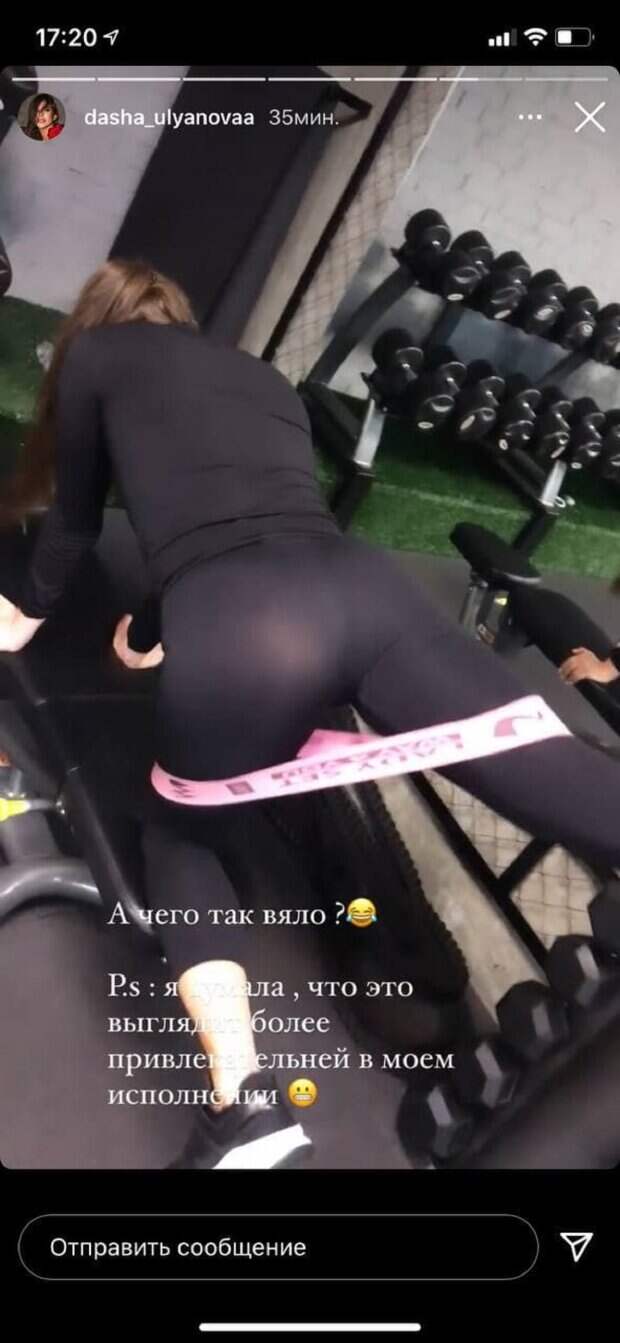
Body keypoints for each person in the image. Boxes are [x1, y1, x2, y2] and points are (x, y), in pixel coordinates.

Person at [1, 260, 620, 1170]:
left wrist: (21, 614)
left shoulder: (95, 357)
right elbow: (236, 508)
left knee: (180, 831)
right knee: (550, 766)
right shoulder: (261, 381)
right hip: (368, 593)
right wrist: (149, 630)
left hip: (248, 624)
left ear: (100, 319)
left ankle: (243, 1108)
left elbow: (76, 527)